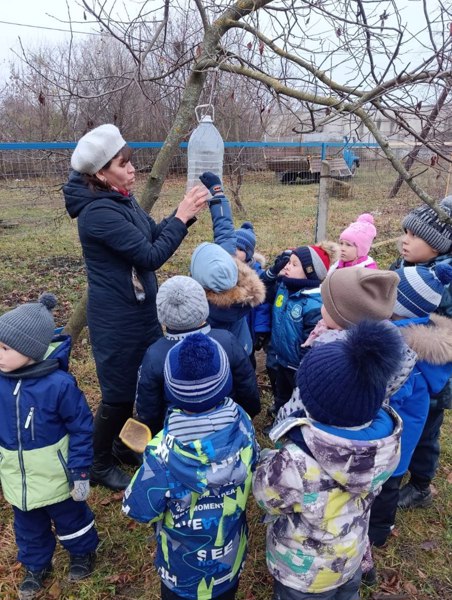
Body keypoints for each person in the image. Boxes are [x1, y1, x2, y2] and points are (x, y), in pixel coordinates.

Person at [63, 124, 208, 491]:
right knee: (118, 393)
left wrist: (182, 216)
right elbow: (150, 255)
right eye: (122, 164)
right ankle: (97, 462)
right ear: (99, 173)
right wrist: (180, 216)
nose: (132, 170)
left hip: (140, 308)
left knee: (145, 383)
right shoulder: (97, 214)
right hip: (117, 317)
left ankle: (123, 446)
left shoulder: (120, 199)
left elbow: (150, 237)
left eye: (131, 161)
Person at [253, 320, 403, 600]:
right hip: (350, 557)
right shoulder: (386, 445)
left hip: (304, 575)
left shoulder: (295, 461)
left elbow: (266, 496)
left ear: (318, 406)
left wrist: (267, 460)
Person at [123, 333, 259, 600]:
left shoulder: (160, 453)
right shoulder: (244, 426)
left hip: (181, 572)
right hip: (228, 560)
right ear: (225, 383)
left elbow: (139, 509)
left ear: (171, 391)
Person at [0, 294, 98, 600]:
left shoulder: (58, 385)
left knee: (72, 519)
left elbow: (82, 428)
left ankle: (83, 552)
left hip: (58, 477)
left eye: (4, 348)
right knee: (28, 528)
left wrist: (80, 472)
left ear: (30, 351)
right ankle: (36, 566)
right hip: (19, 479)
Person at [367, 264, 452, 550]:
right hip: (407, 440)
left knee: (384, 487)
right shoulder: (427, 349)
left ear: (396, 303)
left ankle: (376, 533)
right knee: (391, 482)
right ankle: (383, 525)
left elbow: (380, 399)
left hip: (387, 441)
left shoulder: (399, 354)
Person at [135, 274, 260, 435]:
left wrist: (156, 431)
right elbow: (246, 385)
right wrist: (248, 414)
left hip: (177, 434)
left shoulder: (155, 354)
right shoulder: (226, 340)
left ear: (162, 316)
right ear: (203, 307)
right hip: (228, 426)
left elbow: (147, 406)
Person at [390, 195, 452, 509]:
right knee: (400, 421)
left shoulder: (446, 283)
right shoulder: (403, 265)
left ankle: (420, 485)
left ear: (439, 244)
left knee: (426, 430)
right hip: (401, 369)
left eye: (415, 236)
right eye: (405, 232)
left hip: (433, 376)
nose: (404, 240)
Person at [190, 173, 266, 356]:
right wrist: (218, 194)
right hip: (241, 349)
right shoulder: (231, 275)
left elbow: (224, 234)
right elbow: (225, 233)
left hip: (213, 356)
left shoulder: (198, 303)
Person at [261, 242, 338, 413]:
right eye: (289, 262)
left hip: (298, 366)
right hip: (281, 359)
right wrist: (274, 270)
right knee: (281, 394)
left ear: (310, 272)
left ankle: (294, 424)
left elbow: (312, 342)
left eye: (294, 264)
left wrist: (304, 367)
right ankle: (279, 415)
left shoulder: (314, 304)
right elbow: (261, 289)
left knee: (299, 399)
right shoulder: (284, 287)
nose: (288, 267)